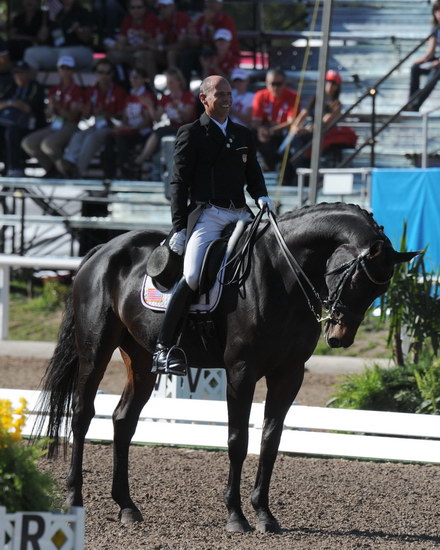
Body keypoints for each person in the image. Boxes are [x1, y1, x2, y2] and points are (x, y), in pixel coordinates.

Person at [151, 74, 275, 376]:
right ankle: (164, 348)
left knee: (271, 259)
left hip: (240, 213)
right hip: (208, 214)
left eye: (229, 93)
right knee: (192, 275)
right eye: (220, 94)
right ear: (204, 98)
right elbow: (178, 182)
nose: (227, 99)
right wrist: (180, 227)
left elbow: (253, 173)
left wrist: (262, 196)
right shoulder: (191, 133)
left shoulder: (243, 134)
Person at [56, 59, 126, 178]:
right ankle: (69, 162)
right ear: (96, 73)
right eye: (100, 72)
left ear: (112, 74)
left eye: (107, 72)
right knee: (78, 135)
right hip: (95, 125)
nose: (104, 76)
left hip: (112, 127)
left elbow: (122, 117)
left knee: (91, 138)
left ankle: (78, 171)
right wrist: (86, 111)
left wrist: (106, 114)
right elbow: (86, 116)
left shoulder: (119, 91)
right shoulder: (91, 91)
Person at [284, 69, 357, 183]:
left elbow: (324, 123)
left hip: (322, 132)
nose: (330, 85)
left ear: (337, 86)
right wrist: (295, 126)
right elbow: (304, 113)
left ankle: (303, 177)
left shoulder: (336, 105)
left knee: (302, 144)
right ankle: (287, 174)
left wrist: (306, 130)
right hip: (309, 131)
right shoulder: (316, 98)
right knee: (292, 140)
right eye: (328, 81)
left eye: (333, 83)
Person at [21, 55, 84, 177]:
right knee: (28, 142)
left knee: (48, 144)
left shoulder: (77, 90)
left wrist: (58, 106)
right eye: (62, 68)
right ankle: (51, 169)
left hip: (71, 125)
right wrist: (50, 109)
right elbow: (48, 115)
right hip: (55, 124)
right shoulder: (54, 90)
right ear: (58, 70)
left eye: (68, 68)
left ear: (73, 71)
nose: (65, 71)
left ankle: (64, 170)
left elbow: (72, 117)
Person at [133, 67, 195, 173]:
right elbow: (157, 118)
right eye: (167, 82)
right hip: (172, 127)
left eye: (171, 82)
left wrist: (177, 108)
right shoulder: (165, 98)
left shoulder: (188, 96)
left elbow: (187, 117)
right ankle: (142, 160)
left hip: (187, 128)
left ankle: (141, 160)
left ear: (179, 81)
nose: (169, 85)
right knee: (158, 132)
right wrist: (150, 106)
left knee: (163, 132)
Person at [0, 60, 45, 176]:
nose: (18, 76)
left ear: (28, 74)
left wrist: (14, 104)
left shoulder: (35, 87)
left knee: (12, 132)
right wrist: (12, 102)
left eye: (21, 73)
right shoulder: (11, 87)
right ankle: (7, 165)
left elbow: (28, 108)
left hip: (31, 126)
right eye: (16, 73)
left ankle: (15, 168)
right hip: (9, 122)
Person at [110, 67, 156, 178]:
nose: (133, 80)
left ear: (143, 80)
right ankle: (113, 174)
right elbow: (125, 117)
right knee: (111, 139)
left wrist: (132, 128)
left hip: (143, 132)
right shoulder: (129, 96)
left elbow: (148, 120)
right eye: (131, 77)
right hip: (129, 130)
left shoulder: (147, 96)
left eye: (136, 77)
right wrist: (122, 125)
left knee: (122, 139)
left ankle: (127, 172)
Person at [23, 0, 95, 71]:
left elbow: (87, 38)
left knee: (65, 54)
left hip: (80, 51)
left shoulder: (83, 12)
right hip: (56, 50)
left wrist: (78, 30)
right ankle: (32, 82)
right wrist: (43, 32)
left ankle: (66, 82)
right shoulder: (54, 13)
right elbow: (42, 39)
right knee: (30, 53)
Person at [251, 67, 300, 171]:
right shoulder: (260, 95)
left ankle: (280, 170)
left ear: (285, 83)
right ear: (267, 83)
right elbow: (256, 121)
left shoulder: (293, 96)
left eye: (279, 84)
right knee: (250, 134)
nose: (276, 88)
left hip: (282, 131)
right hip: (265, 130)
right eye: (273, 84)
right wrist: (262, 130)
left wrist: (273, 129)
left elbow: (292, 122)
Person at [179, 0, 239, 84]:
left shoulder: (226, 19)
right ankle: (185, 89)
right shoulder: (201, 19)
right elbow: (196, 41)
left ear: (220, 4)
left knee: (207, 55)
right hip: (206, 52)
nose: (211, 5)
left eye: (214, 2)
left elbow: (224, 42)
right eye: (209, 2)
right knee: (187, 55)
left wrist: (209, 25)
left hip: (223, 54)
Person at [105, 0, 158, 86]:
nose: (135, 10)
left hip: (149, 53)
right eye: (132, 8)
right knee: (112, 54)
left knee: (141, 55)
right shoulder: (128, 20)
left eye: (139, 7)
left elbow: (149, 45)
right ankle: (120, 85)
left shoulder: (151, 18)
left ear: (145, 8)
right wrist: (121, 47)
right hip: (131, 52)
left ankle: (148, 88)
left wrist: (128, 48)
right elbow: (120, 44)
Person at [406, 1, 440, 111]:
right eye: (437, 10)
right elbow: (431, 51)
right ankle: (411, 102)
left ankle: (416, 105)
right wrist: (423, 60)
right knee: (415, 68)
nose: (439, 13)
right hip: (438, 61)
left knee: (436, 71)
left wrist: (437, 63)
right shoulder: (435, 28)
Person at [154, 0, 192, 72]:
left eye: (164, 7)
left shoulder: (181, 18)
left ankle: (173, 78)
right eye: (160, 8)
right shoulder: (162, 21)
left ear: (173, 6)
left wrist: (162, 48)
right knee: (151, 53)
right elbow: (158, 41)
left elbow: (182, 44)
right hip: (169, 49)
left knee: (171, 54)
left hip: (187, 50)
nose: (162, 10)